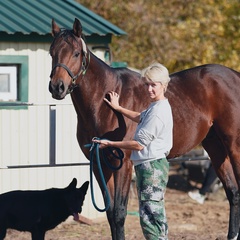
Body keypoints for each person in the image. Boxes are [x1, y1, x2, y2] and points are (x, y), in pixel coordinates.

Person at [93, 62, 173, 240]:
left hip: (151, 168)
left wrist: (111, 143)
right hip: (149, 166)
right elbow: (140, 117)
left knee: (150, 217)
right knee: (153, 214)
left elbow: (138, 144)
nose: (149, 89)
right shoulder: (156, 106)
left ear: (164, 85)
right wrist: (119, 108)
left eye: (154, 85)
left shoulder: (159, 111)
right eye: (147, 84)